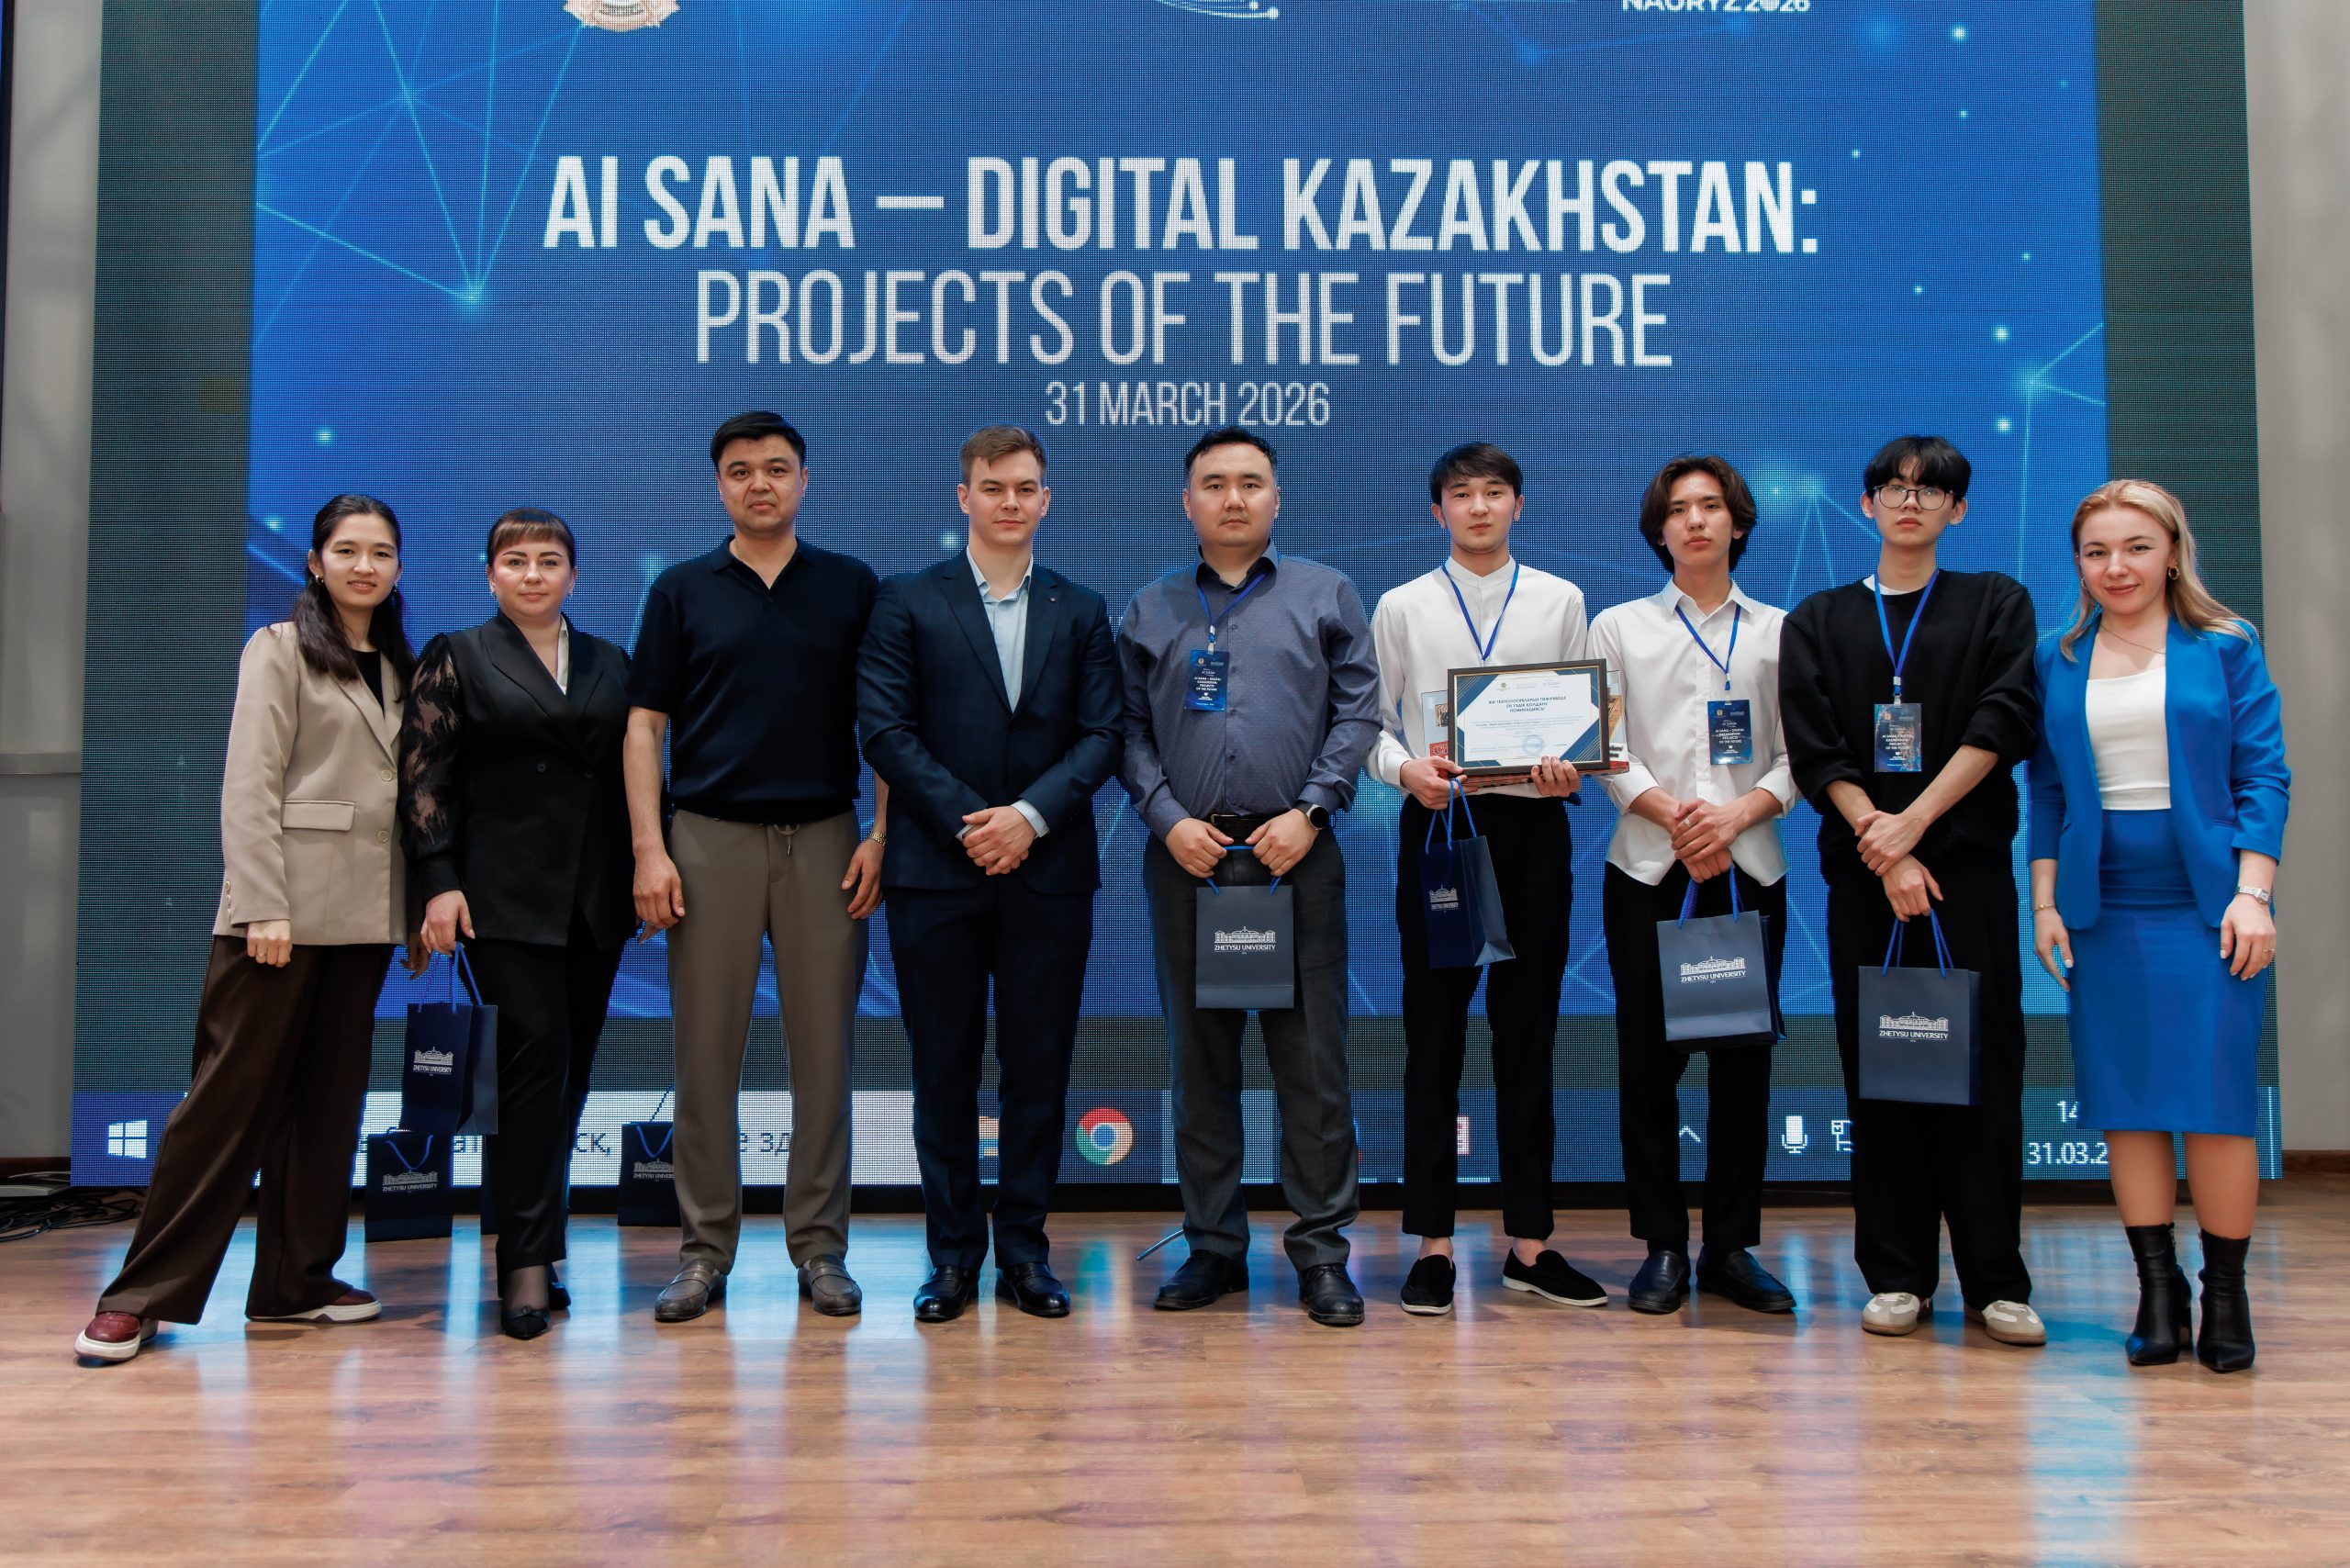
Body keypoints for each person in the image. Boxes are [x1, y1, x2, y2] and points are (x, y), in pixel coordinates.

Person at [77, 495, 418, 1363]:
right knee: (225, 1106)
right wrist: (264, 902)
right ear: (315, 562)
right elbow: (251, 782)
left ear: (398, 569)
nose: (365, 566)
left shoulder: (404, 666)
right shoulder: (279, 647)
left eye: (381, 553)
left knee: (329, 1106)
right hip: (279, 916)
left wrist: (414, 909)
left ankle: (294, 1284)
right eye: (347, 550)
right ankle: (137, 1295)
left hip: (365, 919)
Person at [1779, 435, 2045, 1346]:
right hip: (1867, 878)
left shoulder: (1994, 601)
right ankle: (1896, 1274)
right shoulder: (1819, 618)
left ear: (1956, 510)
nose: (1909, 502)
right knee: (1885, 1071)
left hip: (1965, 876)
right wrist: (1884, 848)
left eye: (1930, 491)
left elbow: (2004, 720)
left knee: (1982, 1072)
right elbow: (1816, 748)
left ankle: (1996, 1282)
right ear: (1866, 503)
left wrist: (1915, 825)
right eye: (1892, 488)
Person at [625, 411, 887, 1323]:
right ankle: (704, 1253)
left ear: (804, 481)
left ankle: (820, 1248)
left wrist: (882, 833)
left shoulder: (851, 586)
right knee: (704, 1060)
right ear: (720, 486)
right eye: (740, 471)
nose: (759, 484)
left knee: (825, 1057)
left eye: (776, 468)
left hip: (825, 838)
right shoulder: (680, 590)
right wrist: (650, 848)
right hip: (707, 840)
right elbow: (643, 727)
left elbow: (885, 721)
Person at [1117, 426, 1381, 1327]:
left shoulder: (1325, 593)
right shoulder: (1149, 608)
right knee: (1200, 1064)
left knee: (1313, 1065)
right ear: (1187, 501)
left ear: (1276, 497)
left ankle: (1322, 1253)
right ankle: (1213, 1247)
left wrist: (1310, 811)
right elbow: (1126, 731)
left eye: (1251, 483)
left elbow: (1358, 712)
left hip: (1293, 855)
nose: (1233, 498)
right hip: (1188, 859)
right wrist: (1167, 819)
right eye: (1214, 483)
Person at [857, 426, 1120, 1323]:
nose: (1011, 501)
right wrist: (977, 824)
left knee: (1037, 1070)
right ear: (962, 496)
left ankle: (1025, 1254)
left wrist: (1027, 819)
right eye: (993, 486)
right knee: (943, 1070)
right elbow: (885, 731)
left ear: (1047, 500)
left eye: (1026, 487)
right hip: (937, 870)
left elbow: (1103, 735)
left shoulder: (1081, 608)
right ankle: (951, 1259)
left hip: (1049, 872)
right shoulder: (905, 600)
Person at [2028, 480, 2287, 1372]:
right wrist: (2045, 903)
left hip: (2211, 907)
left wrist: (2253, 894)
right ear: (2078, 563)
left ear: (2172, 552)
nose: (2116, 567)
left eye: (2136, 547)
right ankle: (2159, 1292)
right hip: (2104, 909)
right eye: (2096, 551)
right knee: (2127, 1104)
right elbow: (2048, 790)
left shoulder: (2226, 644)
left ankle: (2226, 1295)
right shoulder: (2058, 655)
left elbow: (2263, 775)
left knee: (2215, 1104)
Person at [1368, 442, 1604, 1316]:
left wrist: (1571, 767)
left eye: (1494, 492)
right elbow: (1368, 724)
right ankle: (1432, 1245)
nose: (1478, 507)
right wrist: (1405, 772)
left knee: (1528, 1037)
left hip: (1533, 829)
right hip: (1440, 824)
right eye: (1461, 495)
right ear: (1437, 512)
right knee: (1433, 1037)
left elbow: (1580, 718)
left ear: (1518, 505)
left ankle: (1530, 1244)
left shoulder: (1560, 599)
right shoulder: (1402, 606)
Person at [400, 508, 635, 1340]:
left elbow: (635, 773)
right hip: (498, 899)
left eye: (549, 560)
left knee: (567, 1079)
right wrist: (437, 883)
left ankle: (541, 1243)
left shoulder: (612, 661)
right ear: (490, 574)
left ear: (574, 575)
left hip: (597, 897)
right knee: (531, 1068)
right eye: (515, 561)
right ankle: (523, 1266)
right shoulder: (458, 654)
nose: (532, 574)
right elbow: (424, 779)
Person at [1588, 455, 1798, 1317]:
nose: (1696, 520)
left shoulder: (1782, 631)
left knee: (1743, 1067)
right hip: (1648, 867)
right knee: (1649, 1065)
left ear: (1738, 523)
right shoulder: (1618, 626)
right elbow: (1604, 745)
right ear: (1660, 529)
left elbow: (1801, 755)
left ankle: (1731, 1248)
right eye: (1679, 509)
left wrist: (1734, 817)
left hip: (1748, 870)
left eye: (1712, 506)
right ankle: (1664, 1246)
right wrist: (1681, 820)